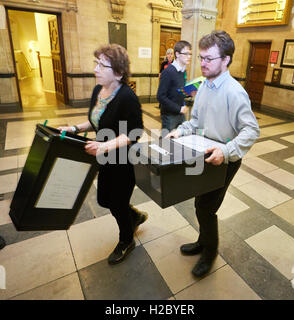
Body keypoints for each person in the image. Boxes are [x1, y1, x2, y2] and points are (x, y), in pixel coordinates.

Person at [166, 30, 260, 277]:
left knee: (206, 207)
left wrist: (226, 151)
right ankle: (202, 241)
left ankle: (209, 253)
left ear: (226, 60)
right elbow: (196, 120)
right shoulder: (204, 85)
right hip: (205, 154)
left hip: (225, 159)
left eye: (209, 59)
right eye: (201, 58)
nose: (203, 63)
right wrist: (180, 130)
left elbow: (251, 131)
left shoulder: (234, 92)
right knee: (200, 203)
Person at [58, 44, 147, 265]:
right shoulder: (99, 90)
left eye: (101, 65)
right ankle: (134, 216)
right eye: (95, 63)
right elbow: (96, 120)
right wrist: (75, 129)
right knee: (105, 199)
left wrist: (104, 146)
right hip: (105, 158)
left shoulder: (127, 97)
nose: (96, 69)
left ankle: (127, 240)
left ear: (118, 72)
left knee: (116, 203)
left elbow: (135, 132)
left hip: (122, 160)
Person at [157, 40, 192, 136]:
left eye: (190, 54)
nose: (189, 57)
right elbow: (160, 96)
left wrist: (189, 92)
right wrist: (178, 109)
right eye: (186, 54)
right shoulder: (168, 72)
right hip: (169, 115)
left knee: (180, 141)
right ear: (177, 54)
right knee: (167, 143)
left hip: (180, 113)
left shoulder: (183, 71)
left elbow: (177, 91)